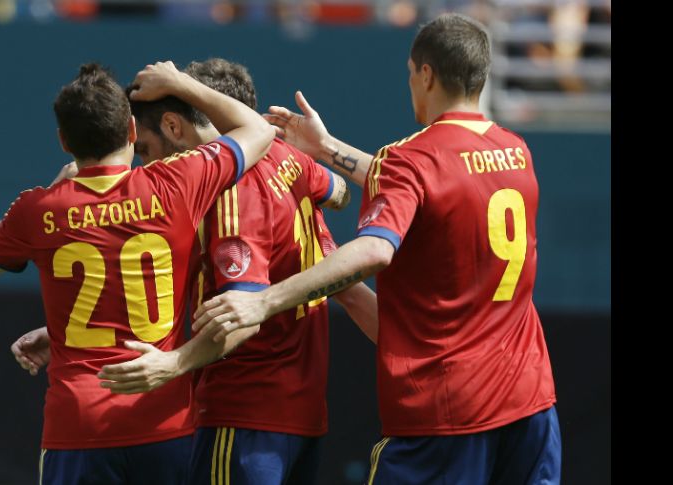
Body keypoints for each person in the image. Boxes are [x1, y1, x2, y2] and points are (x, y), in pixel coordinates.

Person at [193, 14, 561, 485]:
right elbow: (434, 186)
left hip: (446, 413)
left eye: (411, 73)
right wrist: (325, 149)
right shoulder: (516, 150)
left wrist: (262, 299)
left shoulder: (412, 157)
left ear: (425, 74)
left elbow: (376, 248)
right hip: (530, 402)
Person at [12, 58, 378, 485]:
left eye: (144, 151)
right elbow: (337, 195)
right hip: (302, 412)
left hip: (241, 413)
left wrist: (173, 363)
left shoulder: (228, 197)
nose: (143, 167)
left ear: (173, 126)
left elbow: (242, 317)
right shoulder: (286, 157)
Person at [0, 61, 274, 484]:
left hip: (77, 425)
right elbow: (258, 130)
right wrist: (180, 83)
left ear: (64, 142)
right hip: (163, 422)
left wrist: (57, 187)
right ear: (133, 132)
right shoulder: (177, 182)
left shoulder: (38, 209)